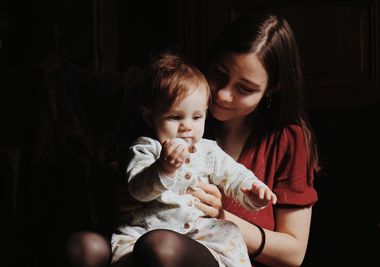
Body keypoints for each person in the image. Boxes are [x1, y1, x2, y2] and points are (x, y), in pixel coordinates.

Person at [66, 13, 319, 267]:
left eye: (245, 88)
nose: (222, 94)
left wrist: (222, 216)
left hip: (200, 249)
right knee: (86, 247)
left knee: (160, 247)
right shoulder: (171, 108)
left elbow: (293, 253)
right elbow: (126, 167)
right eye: (219, 74)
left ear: (273, 88)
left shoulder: (286, 138)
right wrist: (125, 190)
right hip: (146, 236)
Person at [111, 51, 277, 267]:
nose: (187, 126)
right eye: (175, 117)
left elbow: (234, 175)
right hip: (147, 231)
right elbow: (137, 189)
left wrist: (252, 190)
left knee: (230, 234)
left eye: (197, 117)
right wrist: (164, 167)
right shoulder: (145, 148)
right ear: (150, 117)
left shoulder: (208, 150)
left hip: (199, 234)